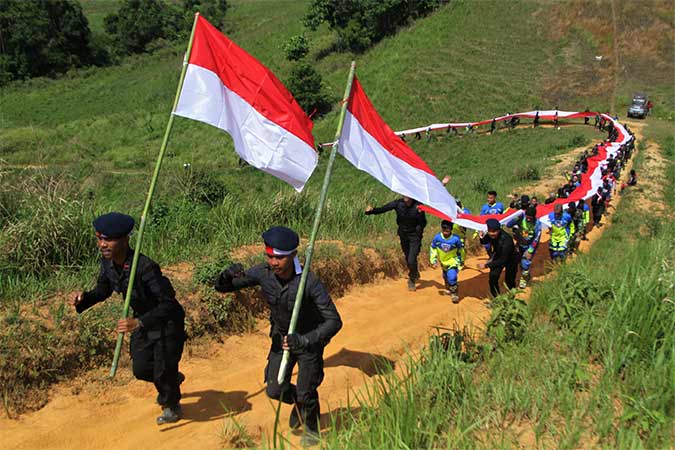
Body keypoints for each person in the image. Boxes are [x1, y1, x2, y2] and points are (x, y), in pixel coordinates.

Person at [214, 226, 342, 446]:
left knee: (306, 391)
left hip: (308, 341)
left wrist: (306, 340)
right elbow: (224, 288)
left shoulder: (309, 282)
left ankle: (311, 426)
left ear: (293, 256)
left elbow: (334, 321)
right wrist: (225, 276)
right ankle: (300, 404)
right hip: (280, 341)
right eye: (270, 256)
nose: (274, 263)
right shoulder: (263, 273)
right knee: (274, 389)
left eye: (279, 258)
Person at [70, 212, 186, 425]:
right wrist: (83, 299)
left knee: (163, 368)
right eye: (100, 239)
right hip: (141, 320)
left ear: (125, 240)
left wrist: (139, 323)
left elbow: (168, 304)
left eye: (108, 239)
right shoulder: (107, 264)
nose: (102, 244)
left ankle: (172, 405)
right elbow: (103, 290)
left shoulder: (145, 267)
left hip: (167, 323)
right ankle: (171, 378)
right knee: (141, 369)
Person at [365, 196, 426, 291]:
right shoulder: (398, 203)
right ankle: (415, 272)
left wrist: (420, 215)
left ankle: (412, 279)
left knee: (411, 259)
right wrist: (371, 211)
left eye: (407, 194)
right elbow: (384, 209)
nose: (405, 196)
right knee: (407, 257)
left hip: (415, 236)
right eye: (403, 194)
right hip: (403, 234)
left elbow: (423, 223)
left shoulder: (418, 206)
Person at [479, 218, 519, 297]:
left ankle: (512, 299)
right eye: (490, 231)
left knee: (509, 281)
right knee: (493, 278)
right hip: (498, 255)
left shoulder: (507, 240)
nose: (492, 234)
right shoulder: (490, 235)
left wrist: (486, 265)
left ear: (499, 230)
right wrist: (481, 237)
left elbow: (503, 260)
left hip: (511, 259)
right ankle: (497, 299)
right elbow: (485, 241)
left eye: (494, 231)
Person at [430, 220, 465, 303]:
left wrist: (461, 261)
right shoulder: (437, 238)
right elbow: (433, 248)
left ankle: (454, 294)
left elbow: (461, 251)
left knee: (452, 276)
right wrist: (433, 260)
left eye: (448, 230)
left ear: (451, 229)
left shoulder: (455, 239)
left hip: (453, 261)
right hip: (443, 261)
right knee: (446, 276)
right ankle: (448, 288)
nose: (446, 232)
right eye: (444, 230)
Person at [507, 205, 542, 288]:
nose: (528, 219)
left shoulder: (537, 224)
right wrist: (517, 218)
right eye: (527, 217)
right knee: (519, 263)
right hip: (520, 244)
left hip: (530, 246)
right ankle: (526, 275)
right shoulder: (521, 219)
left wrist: (530, 250)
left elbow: (537, 238)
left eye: (531, 218)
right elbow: (508, 225)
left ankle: (523, 279)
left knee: (525, 263)